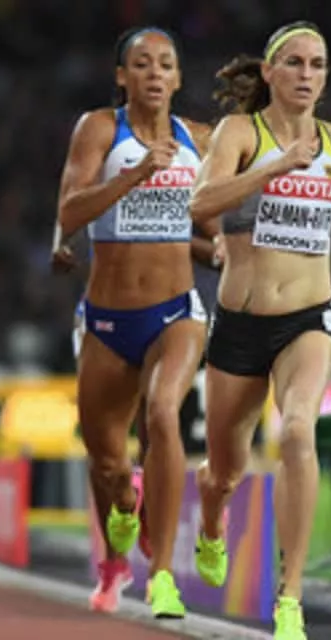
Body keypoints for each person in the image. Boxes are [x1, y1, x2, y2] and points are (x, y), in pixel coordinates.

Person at [188, 22, 331, 640]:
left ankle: (289, 597)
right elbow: (199, 203)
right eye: (293, 63)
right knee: (224, 473)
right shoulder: (240, 133)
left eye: (317, 64)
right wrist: (276, 169)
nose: (306, 74)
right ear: (268, 73)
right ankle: (211, 521)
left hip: (309, 315)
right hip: (240, 323)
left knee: (297, 432)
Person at [56, 27, 218, 617]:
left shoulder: (200, 139)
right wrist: (134, 175)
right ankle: (123, 521)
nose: (155, 73)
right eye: (142, 64)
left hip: (176, 311)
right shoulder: (101, 129)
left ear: (178, 79)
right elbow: (69, 211)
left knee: (163, 413)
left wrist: (221, 246)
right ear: (122, 76)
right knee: (107, 463)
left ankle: (164, 575)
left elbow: (209, 231)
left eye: (165, 64)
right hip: (107, 320)